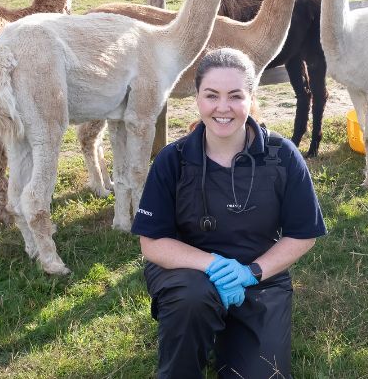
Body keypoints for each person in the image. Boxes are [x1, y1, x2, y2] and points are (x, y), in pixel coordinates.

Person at [132, 48, 326, 379]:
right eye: (212, 95)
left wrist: (251, 272)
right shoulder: (172, 159)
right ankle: (188, 345)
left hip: (260, 276)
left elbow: (303, 233)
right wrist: (215, 266)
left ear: (251, 98)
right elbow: (152, 245)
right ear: (197, 98)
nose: (223, 108)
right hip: (187, 273)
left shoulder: (282, 156)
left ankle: (230, 333)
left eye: (235, 96)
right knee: (192, 299)